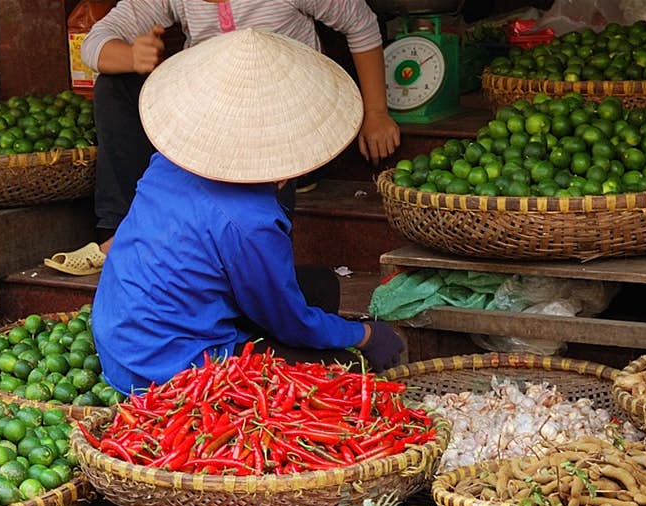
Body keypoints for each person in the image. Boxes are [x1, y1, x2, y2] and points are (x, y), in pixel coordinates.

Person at [90, 30, 406, 394]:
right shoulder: (250, 221)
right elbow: (290, 323)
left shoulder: (167, 163)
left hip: (122, 337)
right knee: (345, 371)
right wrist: (365, 334)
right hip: (168, 370)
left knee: (320, 285)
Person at [45, 0, 400, 276]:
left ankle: (239, 256)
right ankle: (120, 231)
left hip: (292, 131)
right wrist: (130, 56)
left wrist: (376, 113)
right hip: (211, 133)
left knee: (257, 131)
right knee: (114, 84)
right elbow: (96, 41)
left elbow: (362, 23)